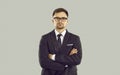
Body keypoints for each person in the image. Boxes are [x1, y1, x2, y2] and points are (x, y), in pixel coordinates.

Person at [39, 8, 82, 75]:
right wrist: (66, 65)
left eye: (63, 18)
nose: (60, 21)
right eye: (57, 18)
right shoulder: (45, 38)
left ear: (67, 21)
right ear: (52, 20)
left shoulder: (75, 38)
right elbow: (43, 62)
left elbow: (77, 60)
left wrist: (53, 57)